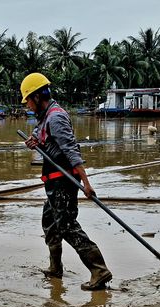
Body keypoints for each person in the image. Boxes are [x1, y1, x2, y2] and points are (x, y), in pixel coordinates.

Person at [21, 72, 112, 290]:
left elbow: (71, 151)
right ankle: (55, 268)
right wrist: (35, 141)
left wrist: (86, 183)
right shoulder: (45, 117)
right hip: (53, 181)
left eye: (29, 101)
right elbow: (42, 137)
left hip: (64, 181)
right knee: (50, 222)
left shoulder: (56, 117)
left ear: (37, 97)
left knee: (67, 226)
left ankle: (99, 270)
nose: (28, 106)